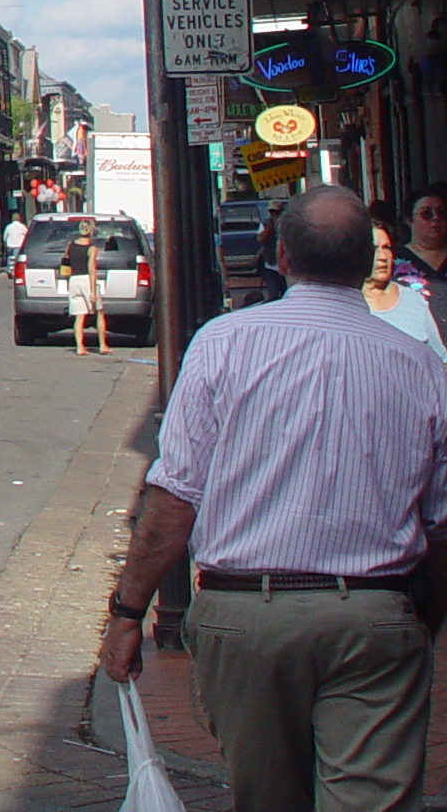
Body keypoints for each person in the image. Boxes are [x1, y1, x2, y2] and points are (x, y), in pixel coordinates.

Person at [100, 185, 447, 811]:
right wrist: (423, 620)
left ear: (282, 258)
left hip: (247, 617)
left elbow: (174, 498)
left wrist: (128, 612)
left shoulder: (222, 343)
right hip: (373, 615)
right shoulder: (419, 365)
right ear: (369, 261)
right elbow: (442, 520)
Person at [365, 210, 447, 364]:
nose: (382, 257)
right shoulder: (344, 302)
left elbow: (441, 359)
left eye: (387, 248)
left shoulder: (413, 299)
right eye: (374, 249)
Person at [396, 186, 447, 339]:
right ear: (409, 220)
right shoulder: (391, 260)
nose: (435, 218)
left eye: (442, 212)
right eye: (426, 214)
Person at [64, 218, 110, 356]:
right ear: (91, 231)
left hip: (74, 280)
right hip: (85, 279)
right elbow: (91, 270)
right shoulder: (92, 248)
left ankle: (79, 347)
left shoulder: (71, 245)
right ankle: (103, 345)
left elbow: (65, 261)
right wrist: (93, 291)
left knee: (79, 316)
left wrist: (68, 279)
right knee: (99, 312)